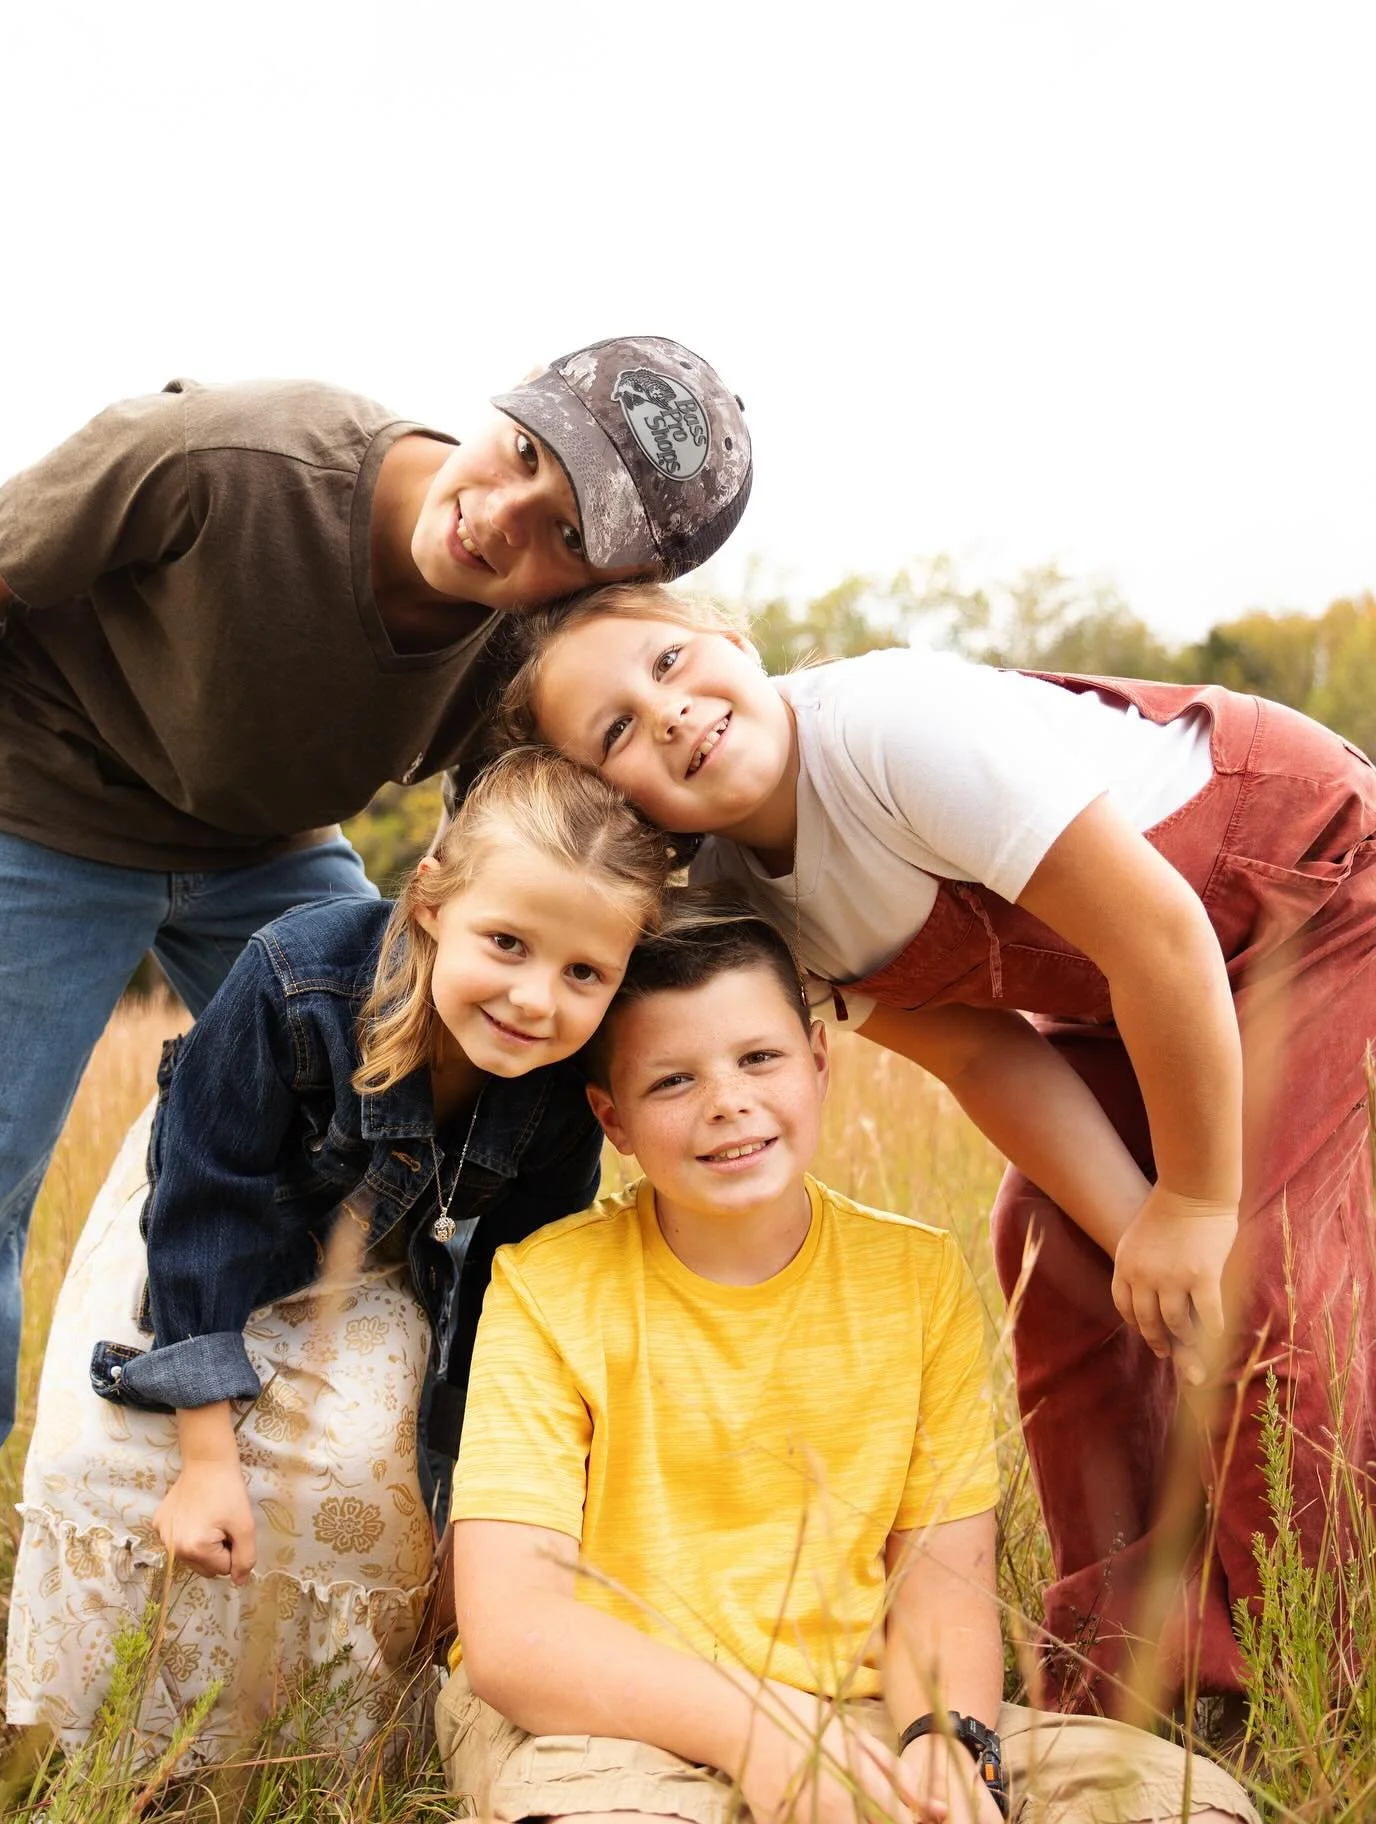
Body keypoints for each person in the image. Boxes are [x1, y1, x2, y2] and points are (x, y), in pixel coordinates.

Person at [0, 337, 751, 1604]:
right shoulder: (231, 460)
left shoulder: (534, 654)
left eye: (565, 534)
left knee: (412, 1095)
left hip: (264, 841)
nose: (501, 516)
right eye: (523, 453)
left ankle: (416, 1542)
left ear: (609, 589)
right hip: (31, 793)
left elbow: (547, 865)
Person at [498, 582, 1376, 1715]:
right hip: (1135, 989)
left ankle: (1323, 1668)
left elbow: (1160, 933)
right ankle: (1139, 1670)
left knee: (1257, 1277)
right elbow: (983, 1057)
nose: (664, 713)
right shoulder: (745, 909)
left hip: (1302, 888)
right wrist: (1136, 1238)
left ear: (732, 638)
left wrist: (1198, 1210)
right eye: (614, 728)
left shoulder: (892, 731)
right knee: (1047, 1246)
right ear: (607, 798)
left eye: (668, 663)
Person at [439, 900, 1257, 1824]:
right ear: (612, 1119)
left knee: (1184, 1802)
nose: (728, 1102)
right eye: (672, 1082)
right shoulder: (548, 1286)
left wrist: (951, 1746)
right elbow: (514, 1636)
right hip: (606, 1720)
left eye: (759, 1059)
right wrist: (763, 1736)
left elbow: (940, 1590)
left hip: (862, 1710)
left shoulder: (913, 1274)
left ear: (819, 1065)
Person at [5, 747, 671, 1758]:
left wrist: (472, 1512)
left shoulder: (559, 1085)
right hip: (200, 1217)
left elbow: (509, 1294)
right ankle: (99, 1740)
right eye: (507, 942)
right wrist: (205, 1455)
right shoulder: (295, 979)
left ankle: (310, 1739)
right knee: (105, 1453)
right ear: (433, 901)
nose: (537, 999)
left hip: (372, 1252)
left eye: (585, 972)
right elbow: (205, 1208)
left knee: (370, 1474)